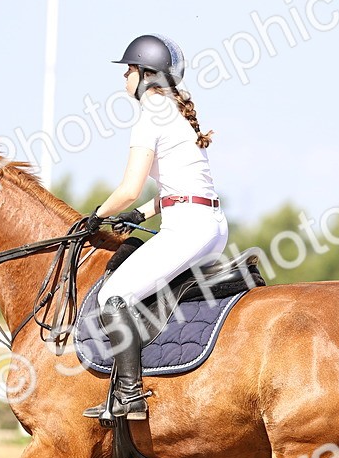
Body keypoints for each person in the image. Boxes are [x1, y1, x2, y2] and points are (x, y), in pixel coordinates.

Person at [83, 34, 229, 421]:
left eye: (129, 70)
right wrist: (141, 215)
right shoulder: (175, 112)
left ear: (147, 74)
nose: (124, 78)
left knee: (111, 297)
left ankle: (129, 395)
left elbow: (128, 189)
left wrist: (97, 216)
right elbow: (182, 189)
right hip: (209, 225)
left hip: (188, 230)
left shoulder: (150, 116)